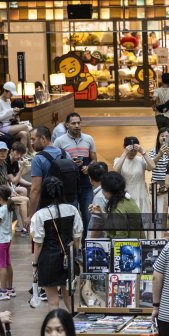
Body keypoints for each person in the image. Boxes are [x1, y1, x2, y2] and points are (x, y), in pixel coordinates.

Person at [30, 177, 83, 311]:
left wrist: (35, 264)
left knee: (52, 302)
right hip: (69, 257)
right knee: (70, 299)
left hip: (48, 259)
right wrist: (77, 257)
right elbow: (77, 238)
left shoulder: (40, 214)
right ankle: (74, 327)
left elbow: (38, 244)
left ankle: (56, 327)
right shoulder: (72, 209)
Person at [53, 112, 97, 234]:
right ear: (67, 125)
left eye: (78, 122)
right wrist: (68, 163)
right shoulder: (59, 141)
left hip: (86, 184)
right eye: (73, 123)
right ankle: (72, 245)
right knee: (71, 216)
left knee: (88, 216)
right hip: (68, 186)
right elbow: (55, 163)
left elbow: (94, 160)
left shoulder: (88, 139)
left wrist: (89, 167)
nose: (77, 125)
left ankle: (86, 245)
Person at [28, 126, 75, 226]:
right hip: (67, 206)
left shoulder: (38, 159)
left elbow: (35, 189)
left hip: (47, 209)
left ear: (43, 139)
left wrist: (31, 215)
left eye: (33, 139)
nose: (31, 143)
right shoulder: (66, 154)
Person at [95, 171, 144, 239]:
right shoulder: (128, 200)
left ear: (109, 191)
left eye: (103, 190)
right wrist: (101, 213)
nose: (102, 192)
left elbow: (121, 237)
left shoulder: (117, 209)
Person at [112, 136, 154, 214]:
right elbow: (116, 171)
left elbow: (152, 166)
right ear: (125, 148)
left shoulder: (140, 159)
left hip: (140, 193)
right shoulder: (119, 160)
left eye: (135, 151)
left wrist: (143, 152)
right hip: (126, 194)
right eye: (131, 150)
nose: (133, 153)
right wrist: (125, 153)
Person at [0, 82, 30, 146]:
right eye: (11, 94)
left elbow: (8, 115)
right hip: (1, 127)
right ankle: (31, 150)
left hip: (9, 125)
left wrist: (14, 112)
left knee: (23, 133)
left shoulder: (8, 100)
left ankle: (22, 154)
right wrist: (11, 111)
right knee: (25, 127)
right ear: (5, 91)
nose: (11, 95)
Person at [146, 128, 169, 218]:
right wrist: (159, 154)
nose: (164, 138)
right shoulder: (153, 151)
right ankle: (157, 229)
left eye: (166, 136)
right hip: (157, 185)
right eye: (162, 136)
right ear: (158, 138)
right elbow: (150, 166)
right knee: (157, 210)